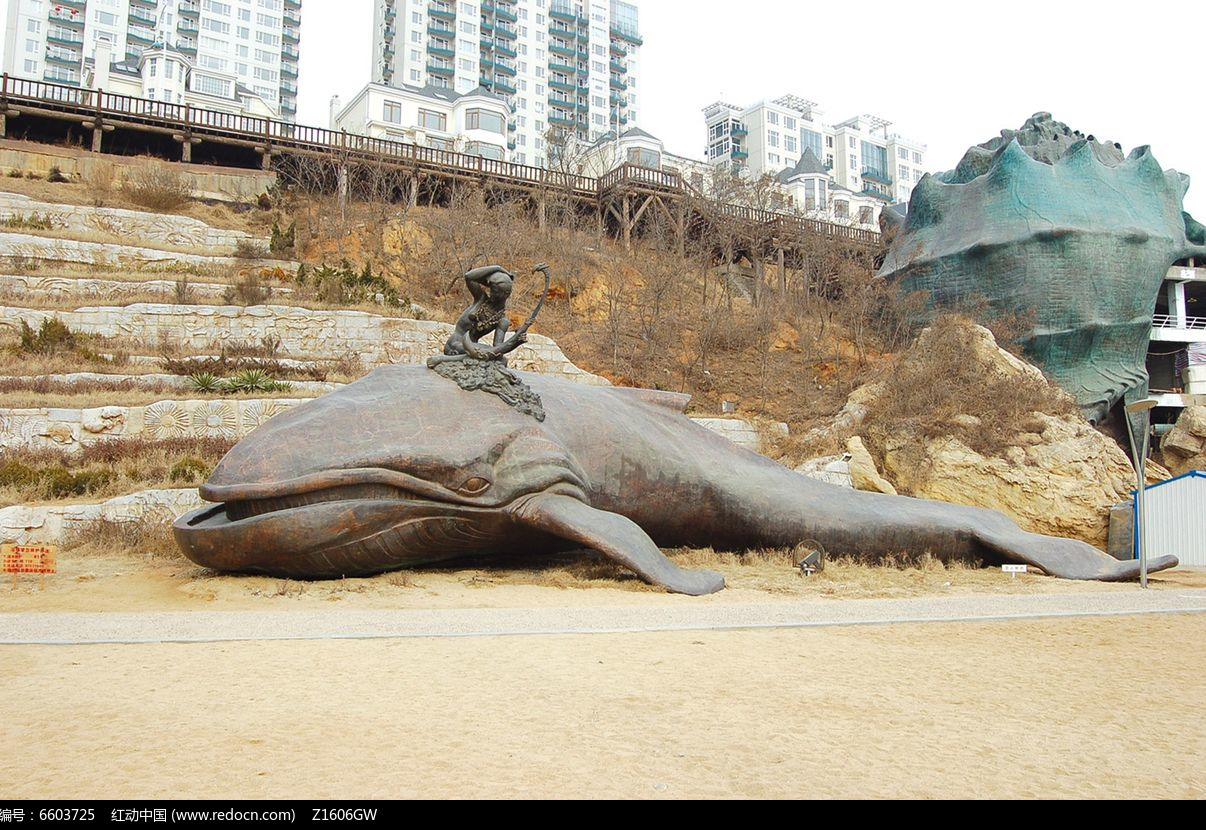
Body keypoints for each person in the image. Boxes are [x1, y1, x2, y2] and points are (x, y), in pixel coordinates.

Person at [428, 264, 546, 367]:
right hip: (455, 344)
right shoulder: (481, 299)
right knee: (488, 353)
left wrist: (515, 343)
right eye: (491, 290)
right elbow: (469, 276)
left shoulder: (502, 321)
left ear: (505, 294)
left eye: (495, 291)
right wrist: (498, 268)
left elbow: (497, 349)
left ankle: (450, 359)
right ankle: (452, 358)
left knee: (499, 359)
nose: (491, 294)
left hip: (471, 349)